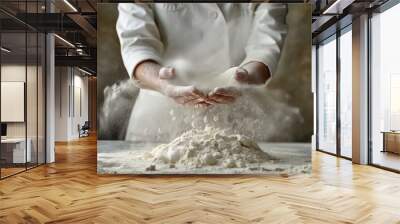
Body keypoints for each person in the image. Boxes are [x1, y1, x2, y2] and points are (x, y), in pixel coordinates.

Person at [117, 3, 287, 141]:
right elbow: (136, 44)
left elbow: (266, 45)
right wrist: (163, 84)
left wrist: (247, 77)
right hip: (158, 120)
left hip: (235, 118)